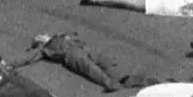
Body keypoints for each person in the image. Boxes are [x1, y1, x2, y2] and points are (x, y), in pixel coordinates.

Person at [13, 33, 166, 92]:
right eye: (38, 38)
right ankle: (110, 84)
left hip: (84, 48)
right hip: (71, 53)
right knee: (91, 69)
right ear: (39, 42)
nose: (42, 35)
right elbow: (27, 58)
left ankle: (126, 79)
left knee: (106, 64)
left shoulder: (61, 35)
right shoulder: (45, 49)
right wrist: (7, 64)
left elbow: (75, 34)